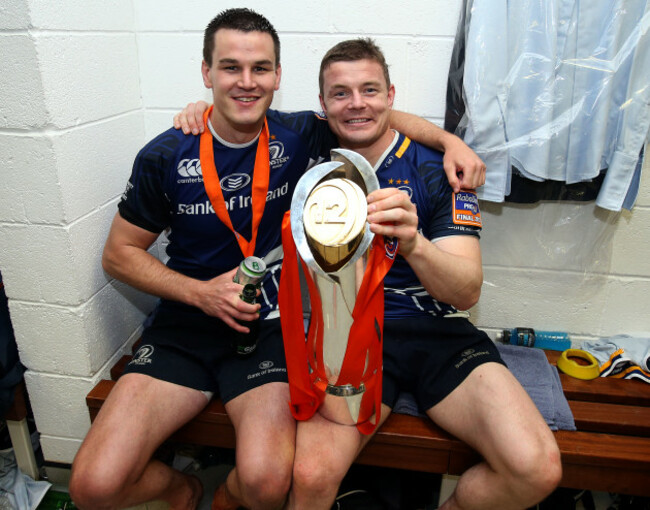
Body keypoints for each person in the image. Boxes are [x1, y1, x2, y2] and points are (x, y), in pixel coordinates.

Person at [69, 9, 485, 510]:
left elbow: (371, 114)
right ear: (206, 73)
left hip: (269, 324)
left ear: (278, 77)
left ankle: (221, 496)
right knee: (93, 486)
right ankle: (185, 492)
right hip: (186, 323)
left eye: (260, 69)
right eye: (230, 68)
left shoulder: (299, 135)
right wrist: (200, 293)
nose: (246, 82)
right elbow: (119, 256)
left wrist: (448, 140)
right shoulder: (166, 154)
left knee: (268, 483)